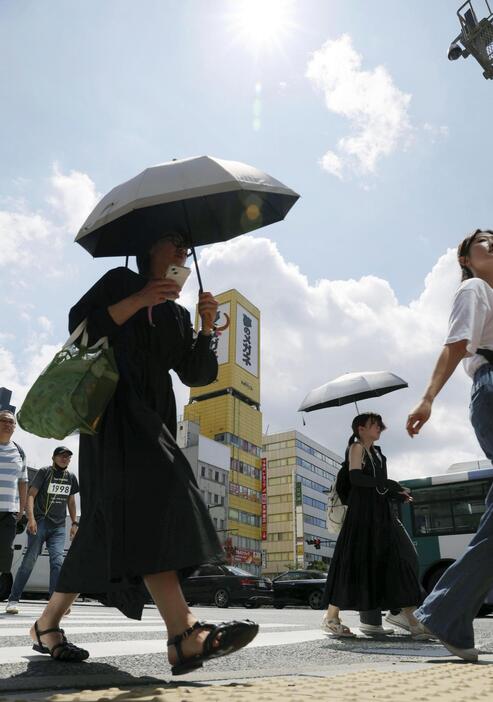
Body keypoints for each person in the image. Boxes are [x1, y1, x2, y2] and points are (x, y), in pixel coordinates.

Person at [28, 231, 258, 670]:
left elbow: (196, 373)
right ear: (147, 247)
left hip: (154, 418)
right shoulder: (118, 282)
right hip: (113, 415)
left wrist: (207, 327)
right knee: (157, 496)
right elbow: (81, 331)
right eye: (173, 241)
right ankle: (183, 633)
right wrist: (139, 299)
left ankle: (47, 622)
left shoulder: (175, 314)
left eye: (185, 245)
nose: (182, 251)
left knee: (105, 524)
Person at [407, 228, 493, 662]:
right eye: (484, 241)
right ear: (465, 259)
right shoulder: (474, 288)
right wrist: (427, 398)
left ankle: (445, 612)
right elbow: (458, 345)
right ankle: (444, 611)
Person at [321, 413, 429, 639]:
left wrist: (395, 492)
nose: (379, 428)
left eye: (380, 424)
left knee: (400, 558)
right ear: (361, 428)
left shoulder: (379, 454)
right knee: (353, 563)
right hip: (362, 517)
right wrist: (387, 484)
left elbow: (378, 486)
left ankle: (406, 615)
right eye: (374, 425)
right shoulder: (356, 448)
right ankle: (331, 617)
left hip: (381, 514)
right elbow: (357, 479)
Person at [6, 446, 79, 614]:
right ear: (54, 457)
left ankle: (55, 605)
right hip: (40, 522)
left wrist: (74, 523)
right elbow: (31, 495)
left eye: (68, 456)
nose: (64, 458)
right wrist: (31, 518)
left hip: (59, 527)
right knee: (28, 562)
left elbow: (72, 502)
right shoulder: (44, 472)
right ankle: (13, 600)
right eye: (61, 455)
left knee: (58, 563)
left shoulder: (71, 477)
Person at [0, 410, 28, 579]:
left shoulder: (19, 451)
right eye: (4, 421)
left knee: (4, 551)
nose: (8, 425)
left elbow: (23, 482)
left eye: (12, 422)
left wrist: (22, 509)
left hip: (9, 511)